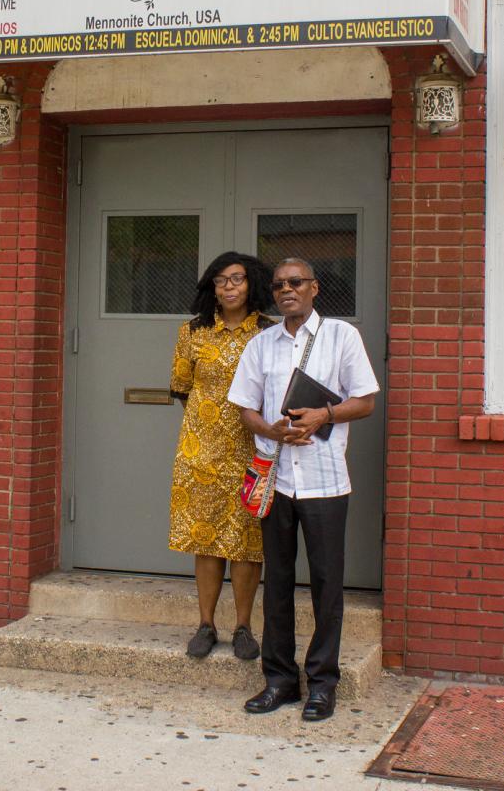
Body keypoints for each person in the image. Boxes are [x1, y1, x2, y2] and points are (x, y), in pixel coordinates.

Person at [227, 257, 379, 721]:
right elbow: (245, 408)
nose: (286, 290)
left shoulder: (341, 336)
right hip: (278, 479)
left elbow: (366, 401)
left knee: (327, 585)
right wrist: (272, 432)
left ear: (314, 287)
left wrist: (322, 416)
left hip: (325, 480)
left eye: (295, 283)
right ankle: (279, 680)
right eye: (278, 285)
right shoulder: (261, 344)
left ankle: (322, 684)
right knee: (277, 583)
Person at [168, 252, 276, 661]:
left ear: (252, 285)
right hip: (201, 454)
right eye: (220, 280)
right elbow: (181, 387)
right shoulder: (193, 332)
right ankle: (206, 625)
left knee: (248, 544)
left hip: (253, 451)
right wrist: (206, 431)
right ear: (210, 287)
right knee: (206, 538)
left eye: (237, 279)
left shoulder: (268, 334)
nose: (229, 287)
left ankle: (244, 627)